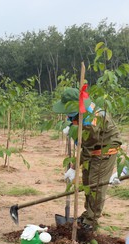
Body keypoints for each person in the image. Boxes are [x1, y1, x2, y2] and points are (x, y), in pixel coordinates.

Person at [53, 87, 124, 231]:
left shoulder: (93, 119)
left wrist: (74, 166)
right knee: (87, 182)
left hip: (105, 150)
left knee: (95, 185)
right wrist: (72, 127)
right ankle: (87, 215)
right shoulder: (78, 114)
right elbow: (85, 145)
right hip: (92, 148)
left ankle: (91, 221)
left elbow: (88, 146)